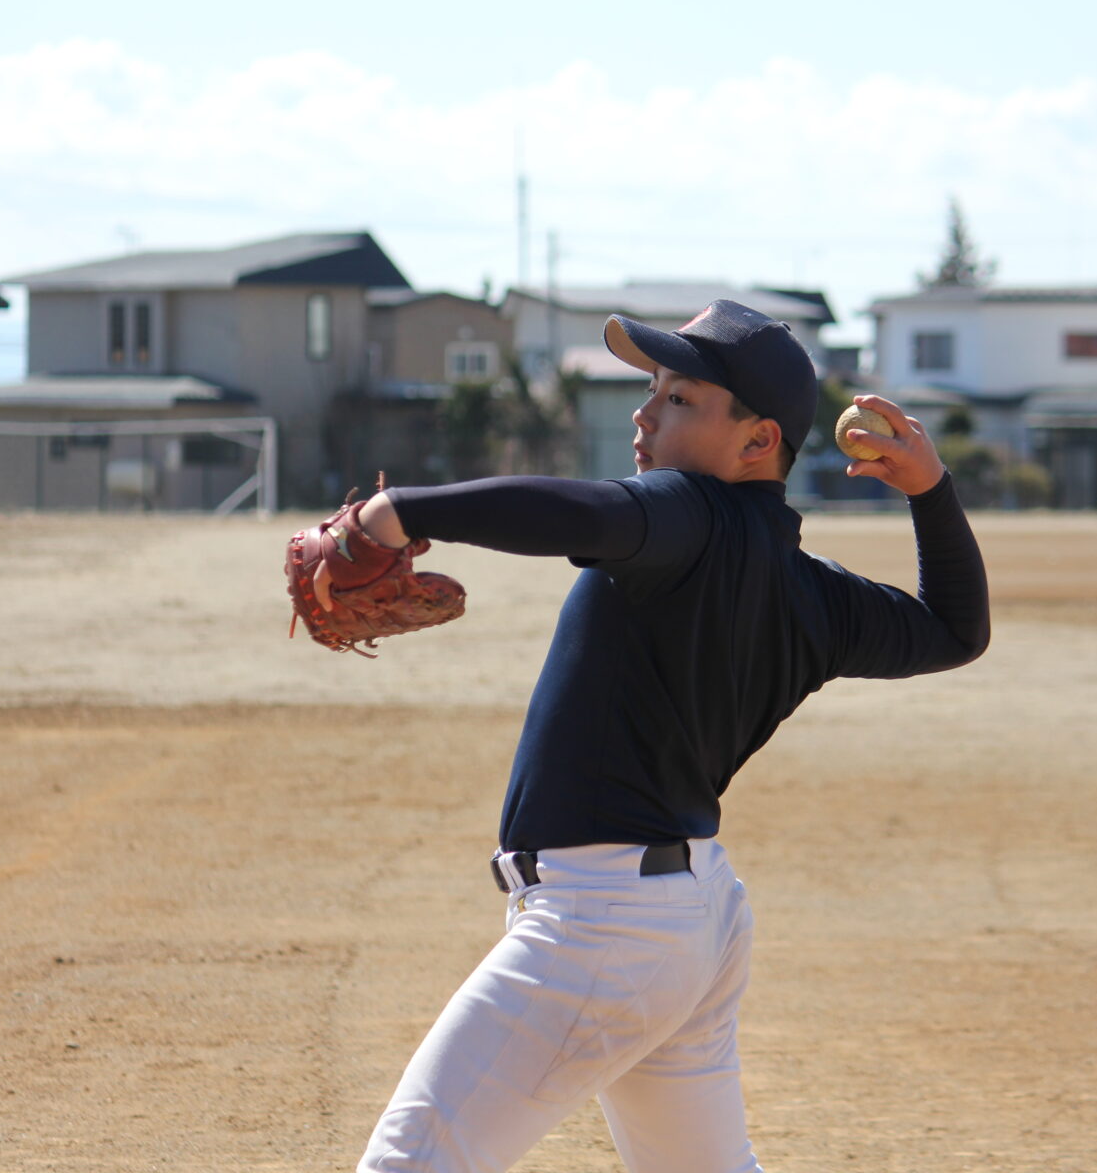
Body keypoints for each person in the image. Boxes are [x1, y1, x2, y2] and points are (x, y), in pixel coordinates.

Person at [349, 299, 989, 1172]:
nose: (646, 414)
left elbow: (585, 516)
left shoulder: (687, 513)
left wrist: (395, 512)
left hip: (604, 924)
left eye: (681, 398)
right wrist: (931, 492)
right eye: (652, 389)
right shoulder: (816, 594)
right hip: (686, 917)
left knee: (412, 1163)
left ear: (758, 442)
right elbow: (955, 630)